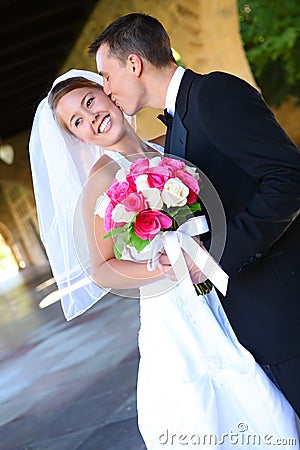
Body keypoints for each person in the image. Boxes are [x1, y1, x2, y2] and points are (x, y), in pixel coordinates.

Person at [29, 69, 299, 449]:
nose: (91, 118)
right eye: (78, 121)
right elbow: (102, 269)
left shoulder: (169, 145)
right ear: (78, 137)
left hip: (222, 286)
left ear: (109, 94)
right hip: (176, 308)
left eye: (91, 102)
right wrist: (156, 270)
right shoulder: (102, 179)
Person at [88, 12, 300, 415]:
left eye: (107, 75)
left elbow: (288, 178)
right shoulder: (181, 119)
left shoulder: (212, 94)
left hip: (287, 304)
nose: (106, 89)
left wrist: (217, 256)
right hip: (262, 314)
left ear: (134, 64)